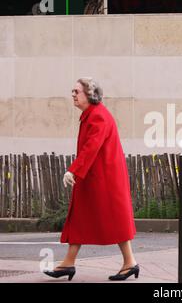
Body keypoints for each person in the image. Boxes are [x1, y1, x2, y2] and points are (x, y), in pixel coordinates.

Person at [43, 77, 139, 281]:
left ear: (90, 95)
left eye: (76, 92)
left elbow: (91, 147)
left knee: (114, 219)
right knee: (80, 217)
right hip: (96, 177)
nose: (73, 95)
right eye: (73, 91)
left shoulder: (98, 116)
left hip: (104, 179)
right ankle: (68, 263)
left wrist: (74, 170)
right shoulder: (93, 114)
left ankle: (130, 262)